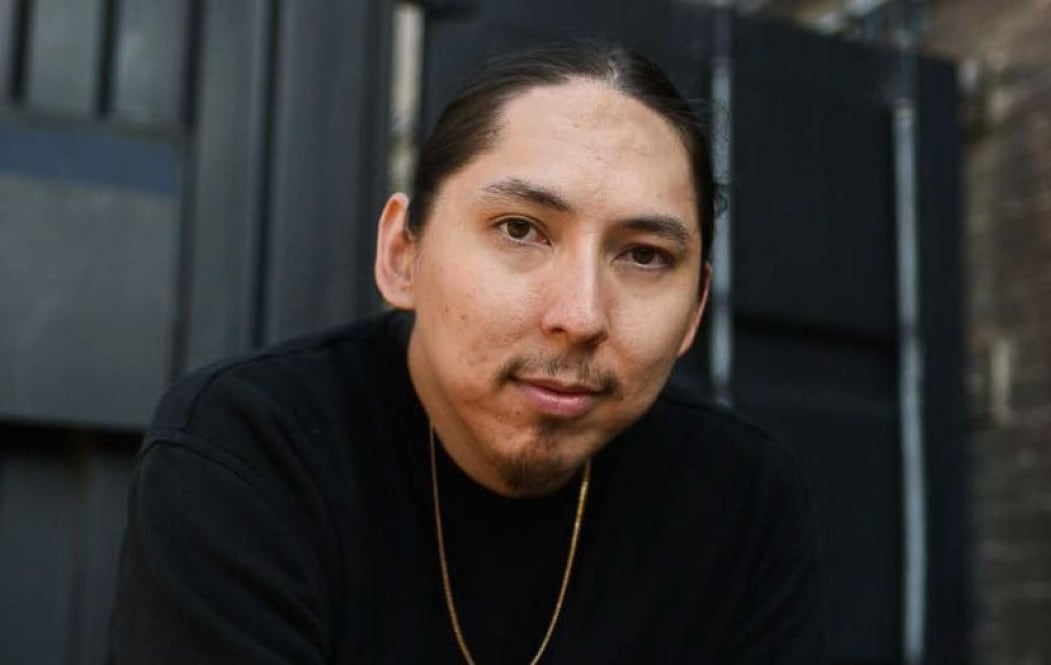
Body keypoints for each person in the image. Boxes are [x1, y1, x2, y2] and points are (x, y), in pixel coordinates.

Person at [108, 42, 825, 664]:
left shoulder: (742, 504)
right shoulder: (250, 454)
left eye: (643, 255)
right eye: (520, 229)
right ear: (402, 253)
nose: (579, 315)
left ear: (695, 308)